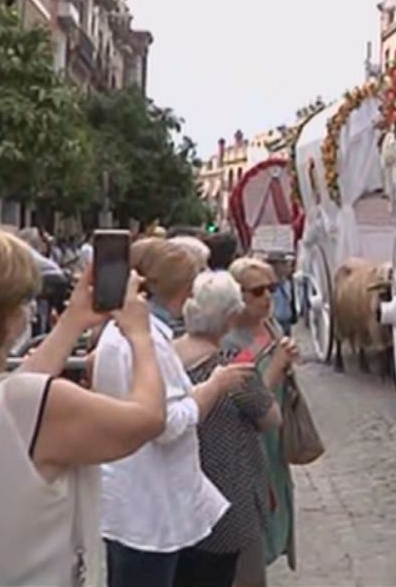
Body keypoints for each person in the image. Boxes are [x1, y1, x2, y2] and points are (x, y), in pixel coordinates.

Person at [0, 221, 166, 587]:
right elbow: (147, 419)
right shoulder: (28, 403)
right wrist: (140, 336)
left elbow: (16, 399)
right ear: (8, 314)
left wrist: (73, 321)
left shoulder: (11, 402)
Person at [94, 238, 254, 587]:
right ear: (183, 291)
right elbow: (166, 423)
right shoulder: (147, 342)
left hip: (133, 497)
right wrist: (213, 386)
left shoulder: (122, 334)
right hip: (148, 506)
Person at [174, 271, 290, 587]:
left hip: (176, 499)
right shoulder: (230, 369)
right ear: (228, 320)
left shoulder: (167, 356)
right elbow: (271, 418)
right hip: (229, 499)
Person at [224, 257, 301, 574]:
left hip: (273, 432)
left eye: (272, 288)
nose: (267, 297)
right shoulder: (228, 341)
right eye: (257, 291)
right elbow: (243, 398)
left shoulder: (271, 326)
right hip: (249, 437)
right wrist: (277, 366)